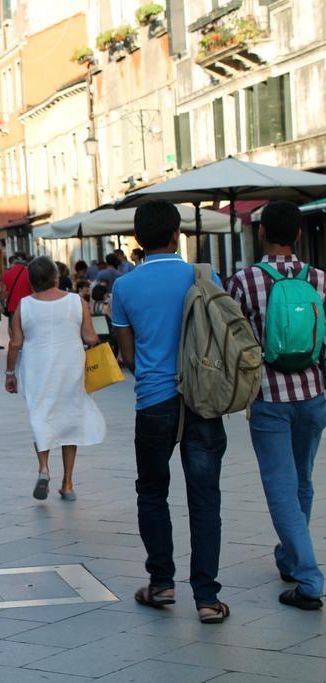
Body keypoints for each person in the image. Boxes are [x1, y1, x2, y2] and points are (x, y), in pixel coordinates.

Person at [112, 200, 230, 624]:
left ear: (138, 241)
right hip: (203, 398)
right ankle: (207, 599)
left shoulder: (124, 288)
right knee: (204, 497)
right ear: (177, 235)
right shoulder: (204, 275)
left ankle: (161, 582)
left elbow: (127, 357)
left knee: (152, 492)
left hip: (155, 401)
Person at [229, 201, 324, 610]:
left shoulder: (244, 280)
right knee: (302, 479)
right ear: (299, 235)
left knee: (281, 487)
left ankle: (308, 579)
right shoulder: (320, 279)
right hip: (314, 394)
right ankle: (289, 557)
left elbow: (234, 340)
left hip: (268, 396)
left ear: (261, 232)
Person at [5, 257, 105, 501]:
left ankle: (43, 468)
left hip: (36, 368)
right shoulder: (75, 301)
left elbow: (15, 343)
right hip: (70, 366)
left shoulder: (24, 305)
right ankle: (68, 483)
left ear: (31, 282)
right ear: (56, 277)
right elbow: (90, 337)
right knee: (70, 418)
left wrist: (9, 373)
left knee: (40, 416)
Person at [1, 252, 32, 327]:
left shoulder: (7, 273)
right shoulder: (30, 273)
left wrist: (2, 305)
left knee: (13, 330)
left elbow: (3, 292)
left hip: (13, 307)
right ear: (26, 261)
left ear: (15, 261)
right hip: (27, 307)